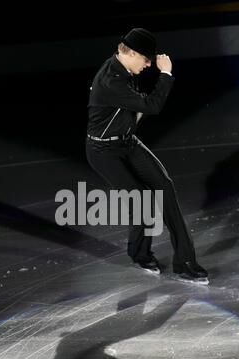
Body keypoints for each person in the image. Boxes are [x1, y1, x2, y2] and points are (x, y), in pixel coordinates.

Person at [86, 28, 208, 283]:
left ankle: (185, 262)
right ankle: (140, 254)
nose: (149, 63)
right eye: (146, 58)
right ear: (128, 52)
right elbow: (152, 105)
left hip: (128, 142)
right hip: (103, 151)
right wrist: (165, 73)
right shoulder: (111, 81)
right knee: (140, 198)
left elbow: (138, 106)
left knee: (164, 186)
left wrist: (131, 119)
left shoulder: (127, 68)